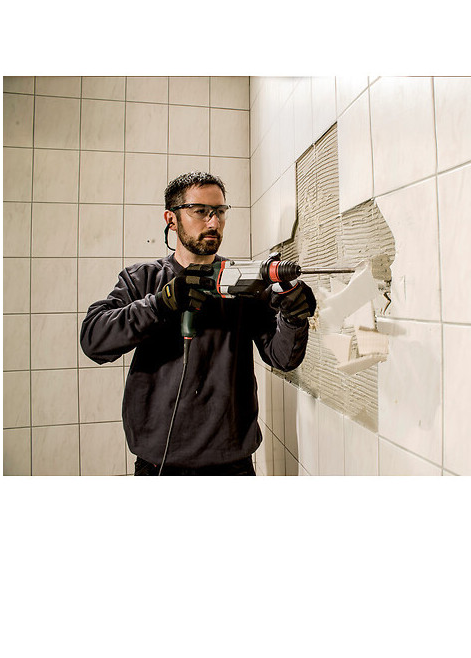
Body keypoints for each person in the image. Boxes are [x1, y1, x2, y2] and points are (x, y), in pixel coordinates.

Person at [80, 172, 316, 476]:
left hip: (232, 467)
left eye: (219, 211)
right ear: (172, 219)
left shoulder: (243, 283)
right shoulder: (143, 279)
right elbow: (94, 340)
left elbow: (282, 358)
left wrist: (293, 317)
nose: (213, 222)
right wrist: (161, 303)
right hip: (159, 466)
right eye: (201, 211)